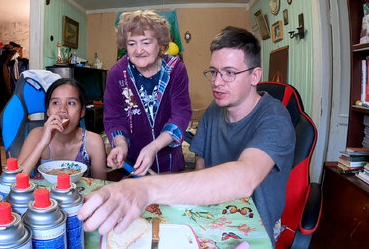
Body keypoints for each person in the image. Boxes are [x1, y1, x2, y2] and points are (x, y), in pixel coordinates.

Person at [78, 27, 295, 247]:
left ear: (255, 75)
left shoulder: (274, 117)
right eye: (214, 71)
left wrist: (147, 188)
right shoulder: (213, 111)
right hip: (210, 217)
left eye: (229, 72)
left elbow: (244, 178)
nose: (217, 82)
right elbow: (201, 167)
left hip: (253, 230)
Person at [104, 10, 192, 176]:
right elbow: (114, 117)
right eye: (131, 44)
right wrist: (120, 145)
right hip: (133, 166)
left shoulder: (176, 70)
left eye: (146, 42)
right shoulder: (117, 73)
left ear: (160, 44)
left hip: (170, 165)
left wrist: (154, 146)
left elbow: (181, 114)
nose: (138, 50)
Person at [17, 78, 107, 180]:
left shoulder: (94, 142)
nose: (62, 110)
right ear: (48, 111)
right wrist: (42, 143)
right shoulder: (36, 135)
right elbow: (16, 180)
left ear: (82, 111)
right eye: (55, 103)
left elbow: (100, 186)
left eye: (71, 103)